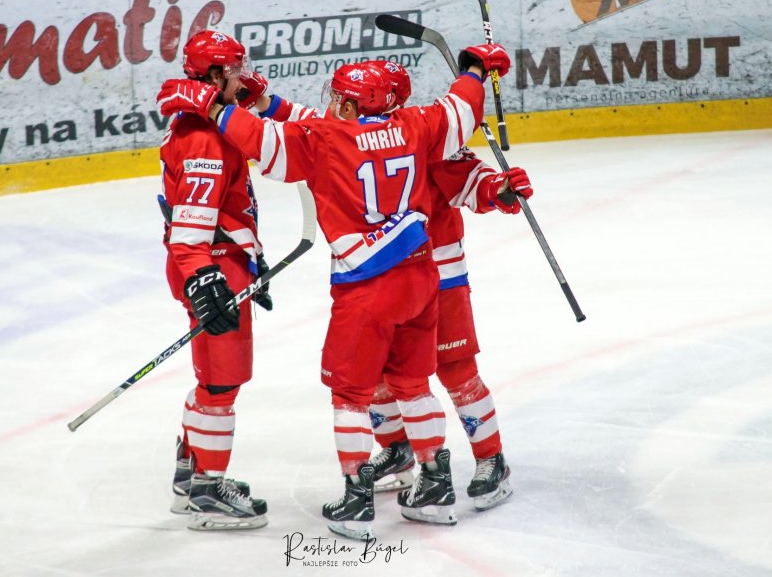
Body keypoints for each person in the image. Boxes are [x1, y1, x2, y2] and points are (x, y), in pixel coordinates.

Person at [157, 43, 518, 538]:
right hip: (421, 274)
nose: (330, 104)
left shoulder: (326, 139)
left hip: (369, 282)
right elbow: (461, 110)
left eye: (338, 98)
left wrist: (216, 108)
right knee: (409, 381)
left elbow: (269, 141)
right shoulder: (417, 126)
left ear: (351, 104)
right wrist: (475, 69)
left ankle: (362, 495)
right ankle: (431, 481)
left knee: (361, 388)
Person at [362, 61, 531, 512]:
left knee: (455, 369)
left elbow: (470, 181)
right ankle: (397, 450)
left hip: (439, 275)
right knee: (376, 370)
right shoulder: (346, 138)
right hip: (378, 276)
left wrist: (499, 189)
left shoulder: (424, 134)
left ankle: (491, 458)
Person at [158, 30, 273, 531]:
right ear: (211, 74)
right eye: (233, 70)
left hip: (221, 261)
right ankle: (207, 491)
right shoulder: (204, 139)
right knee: (222, 383)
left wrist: (250, 257)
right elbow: (190, 231)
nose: (241, 77)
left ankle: (191, 473)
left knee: (212, 378)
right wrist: (205, 280)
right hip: (211, 267)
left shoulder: (209, 118)